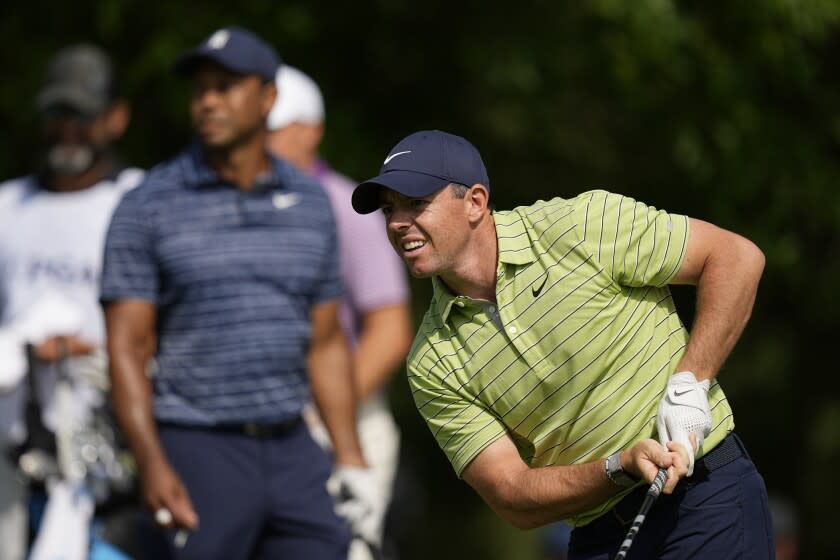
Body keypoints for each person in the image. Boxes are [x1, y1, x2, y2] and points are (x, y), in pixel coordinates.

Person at [350, 130, 773, 558]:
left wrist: (691, 383)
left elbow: (735, 257)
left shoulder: (578, 227)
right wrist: (618, 467)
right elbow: (511, 493)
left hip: (705, 497)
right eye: (389, 210)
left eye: (416, 203)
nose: (397, 223)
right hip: (600, 536)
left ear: (476, 201)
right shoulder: (432, 360)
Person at [100, 27, 376, 560]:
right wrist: (151, 463)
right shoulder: (147, 205)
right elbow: (127, 349)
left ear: (267, 97)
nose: (207, 100)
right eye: (200, 88)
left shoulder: (312, 204)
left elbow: (326, 343)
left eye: (225, 86)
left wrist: (349, 457)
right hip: (196, 446)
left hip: (293, 445)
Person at [0, 44, 144, 560]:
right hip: (15, 449)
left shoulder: (139, 201)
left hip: (111, 452)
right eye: (58, 113)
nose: (68, 129)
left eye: (82, 115)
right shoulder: (8, 206)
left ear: (115, 118)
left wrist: (87, 350)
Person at [265, 65, 413, 560]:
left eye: (273, 128)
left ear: (312, 130)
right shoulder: (238, 206)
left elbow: (389, 330)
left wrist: (322, 410)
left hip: (343, 421)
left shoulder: (344, 208)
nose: (260, 142)